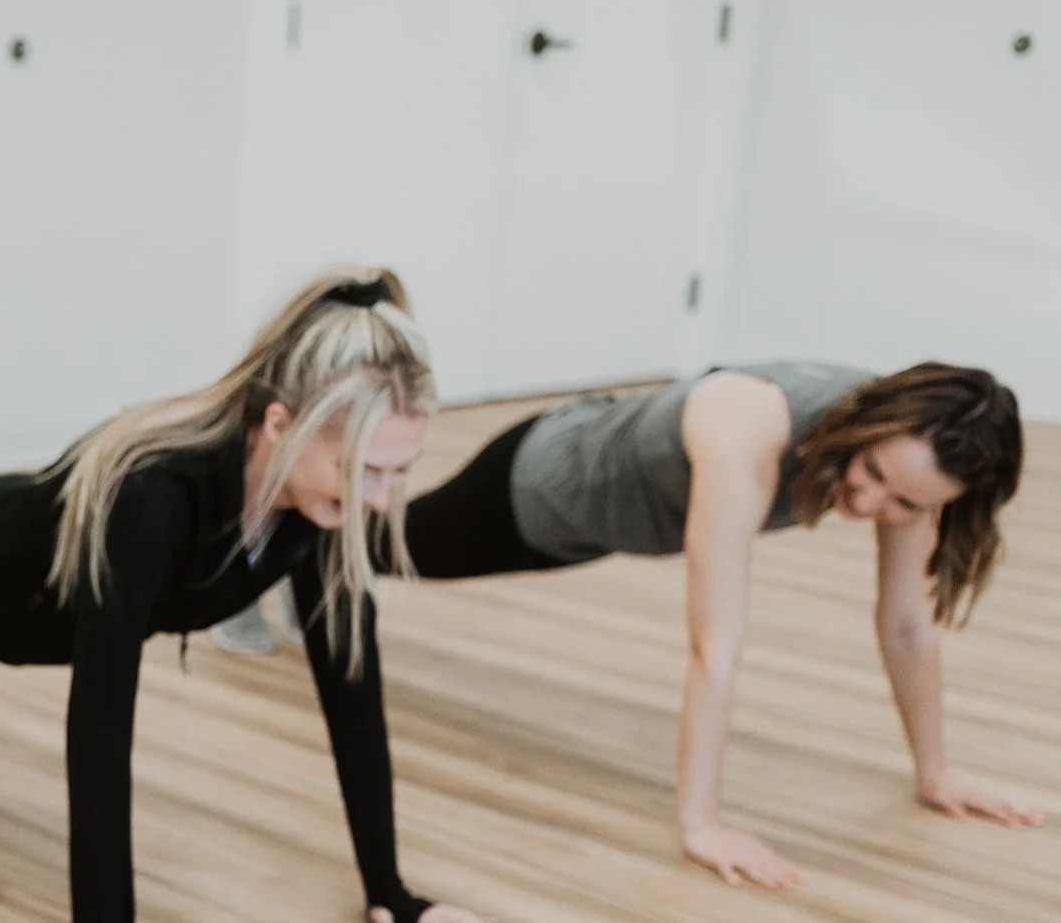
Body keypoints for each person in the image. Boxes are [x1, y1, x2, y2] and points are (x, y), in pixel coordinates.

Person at [0, 269, 501, 923]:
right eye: (363, 470)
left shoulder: (311, 510)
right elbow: (101, 725)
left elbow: (352, 688)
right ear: (281, 425)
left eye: (398, 471)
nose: (379, 497)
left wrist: (392, 889)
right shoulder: (156, 494)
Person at [403, 361, 1039, 885]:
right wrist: (700, 825)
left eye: (905, 503)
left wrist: (936, 773)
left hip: (603, 523)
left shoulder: (915, 454)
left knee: (368, 551)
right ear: (870, 423)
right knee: (383, 549)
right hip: (539, 489)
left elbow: (905, 624)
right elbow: (716, 645)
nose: (870, 504)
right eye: (870, 472)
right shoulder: (747, 429)